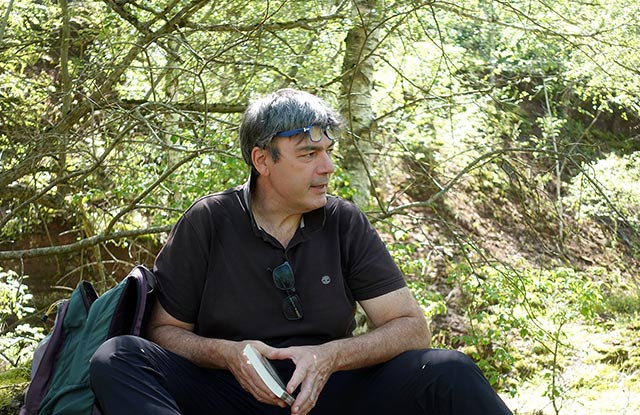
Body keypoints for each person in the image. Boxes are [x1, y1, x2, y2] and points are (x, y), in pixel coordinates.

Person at [90, 88, 513, 415]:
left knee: (448, 371)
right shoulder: (209, 221)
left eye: (327, 152)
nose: (327, 167)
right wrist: (229, 355)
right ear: (262, 160)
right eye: (309, 154)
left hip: (331, 391)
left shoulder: (344, 222)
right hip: (229, 393)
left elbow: (411, 328)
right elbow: (164, 331)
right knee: (118, 357)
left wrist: (330, 357)